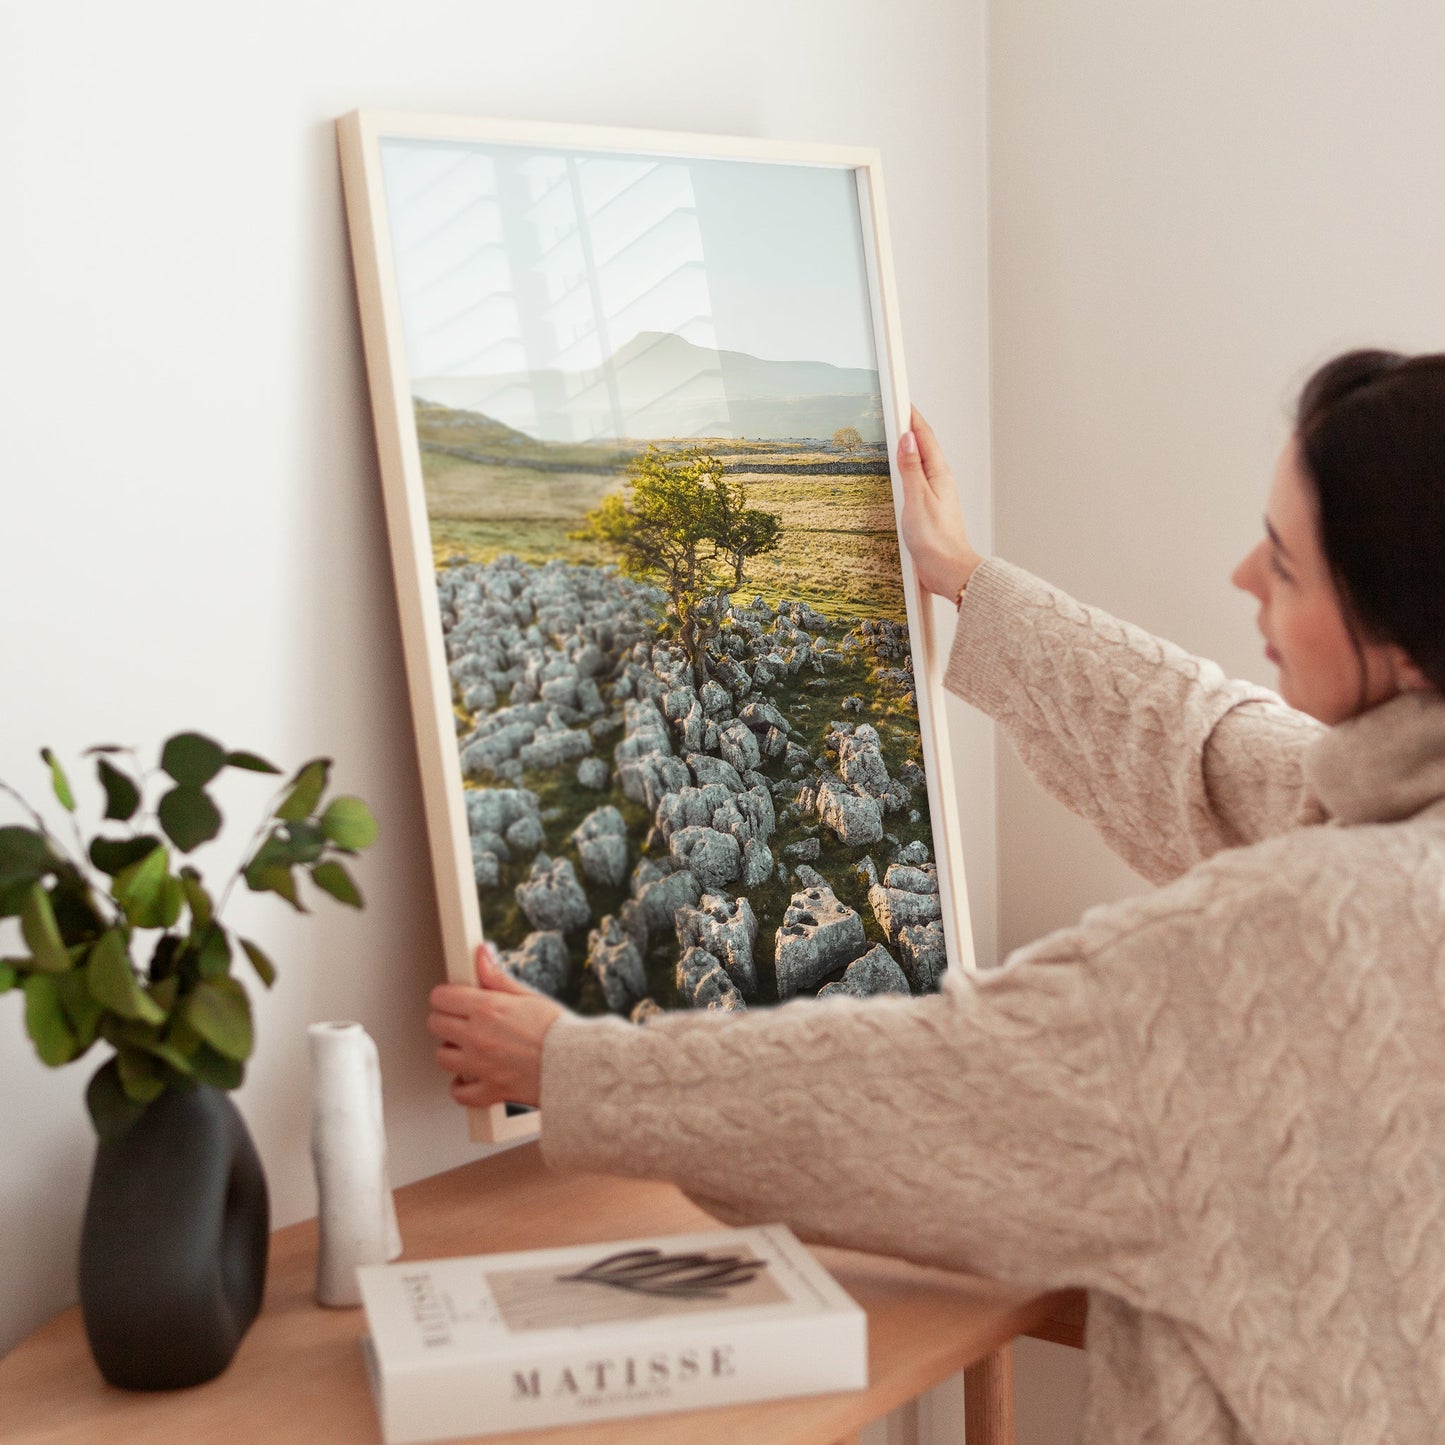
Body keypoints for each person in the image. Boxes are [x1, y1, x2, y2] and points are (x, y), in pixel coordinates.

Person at [428, 349, 1445, 1444]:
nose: (1243, 573)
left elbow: (929, 1087)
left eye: (1286, 566)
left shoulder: (1284, 939)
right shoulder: (1393, 813)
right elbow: (1204, 746)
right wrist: (964, 576)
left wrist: (570, 1065)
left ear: (1395, 640)